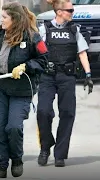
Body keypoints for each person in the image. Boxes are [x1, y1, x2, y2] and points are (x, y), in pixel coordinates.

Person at [0, 2, 48, 178]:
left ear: (14, 19)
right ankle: (1, 165)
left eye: (4, 17)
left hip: (21, 90)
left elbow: (44, 60)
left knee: (14, 127)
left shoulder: (32, 37)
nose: (1, 20)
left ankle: (16, 160)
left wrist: (26, 66)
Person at [36, 0, 93, 167]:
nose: (72, 13)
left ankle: (60, 154)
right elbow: (36, 51)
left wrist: (88, 74)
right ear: (59, 11)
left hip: (67, 77)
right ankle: (45, 147)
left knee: (67, 113)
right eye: (70, 10)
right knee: (43, 111)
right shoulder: (44, 29)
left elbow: (82, 53)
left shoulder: (74, 30)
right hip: (48, 76)